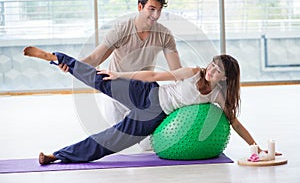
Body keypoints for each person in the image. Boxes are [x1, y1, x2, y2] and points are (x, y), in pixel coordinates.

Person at [23, 46, 281, 165]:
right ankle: (57, 58)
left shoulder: (217, 97)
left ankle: (58, 155)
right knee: (102, 78)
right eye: (213, 64)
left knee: (109, 140)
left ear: (225, 78)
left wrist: (254, 146)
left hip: (154, 116)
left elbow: (234, 121)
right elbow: (157, 76)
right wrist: (121, 76)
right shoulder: (193, 72)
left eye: (218, 69)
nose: (212, 69)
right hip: (149, 92)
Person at [59, 0, 182, 150]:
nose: (156, 15)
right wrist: (72, 66)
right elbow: (96, 58)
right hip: (117, 93)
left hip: (142, 95)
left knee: (147, 146)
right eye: (151, 9)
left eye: (159, 10)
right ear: (140, 7)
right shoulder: (121, 30)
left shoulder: (164, 35)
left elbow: (177, 72)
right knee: (117, 142)